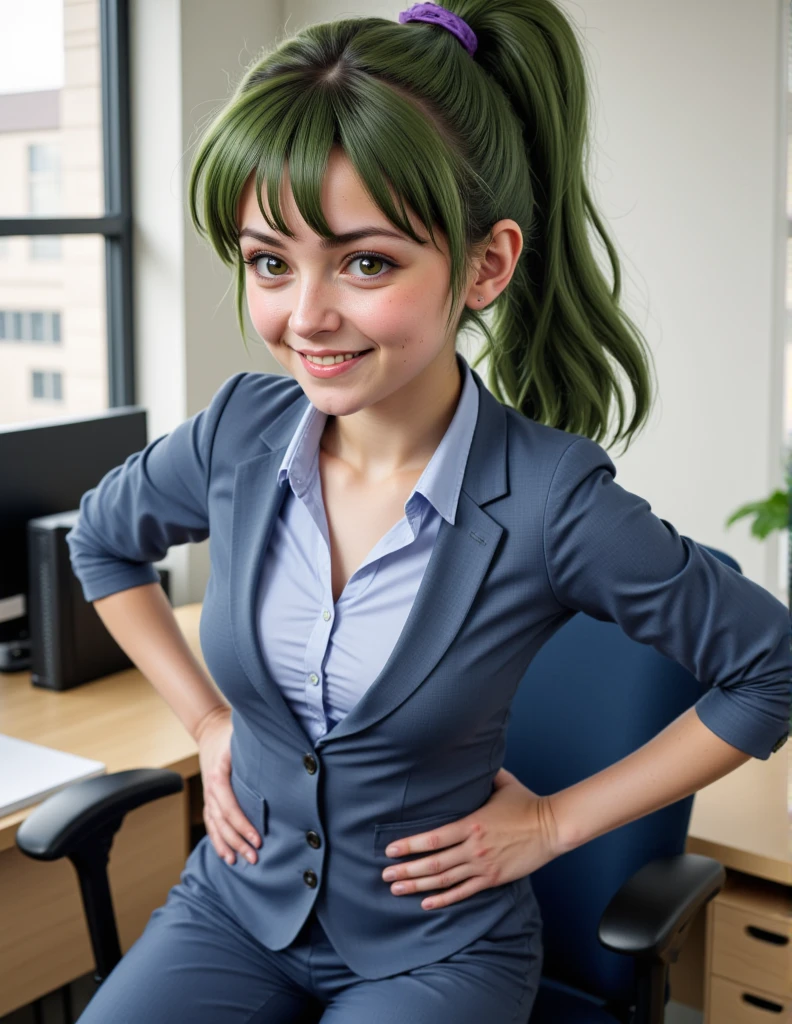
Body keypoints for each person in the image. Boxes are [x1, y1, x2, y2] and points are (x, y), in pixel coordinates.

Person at [66, 1, 791, 1021]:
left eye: (365, 262)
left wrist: (550, 826)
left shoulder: (551, 500)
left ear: (485, 264)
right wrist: (207, 716)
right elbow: (103, 542)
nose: (306, 315)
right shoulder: (238, 431)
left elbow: (772, 664)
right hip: (238, 908)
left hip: (437, 950)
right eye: (271, 260)